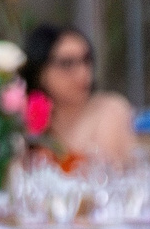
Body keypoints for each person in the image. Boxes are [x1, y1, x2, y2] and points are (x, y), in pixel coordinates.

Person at [22, 22, 138, 168]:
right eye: (67, 64)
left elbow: (105, 174)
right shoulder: (25, 114)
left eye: (86, 60)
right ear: (40, 71)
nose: (82, 73)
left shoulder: (109, 109)